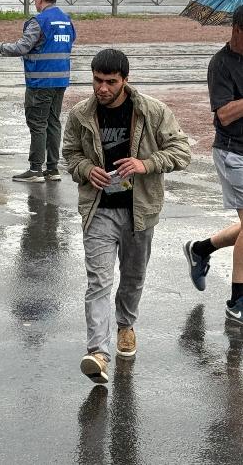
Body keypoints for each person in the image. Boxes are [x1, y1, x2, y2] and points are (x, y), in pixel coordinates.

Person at [62, 49, 191, 384]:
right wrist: (87, 169)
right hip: (98, 210)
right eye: (97, 80)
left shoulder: (152, 111)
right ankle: (98, 353)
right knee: (99, 282)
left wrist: (144, 164)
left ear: (124, 81)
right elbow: (70, 153)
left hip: (140, 211)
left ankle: (126, 325)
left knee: (132, 278)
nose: (102, 88)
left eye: (110, 82)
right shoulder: (80, 114)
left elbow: (182, 151)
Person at [0, 0, 75, 182]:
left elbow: (21, 47)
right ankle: (52, 168)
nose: (35, 2)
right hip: (61, 81)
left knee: (37, 124)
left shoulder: (39, 21)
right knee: (53, 123)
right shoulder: (66, 20)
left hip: (40, 82)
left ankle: (35, 169)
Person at [183, 6, 243, 326]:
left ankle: (202, 249)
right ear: (237, 30)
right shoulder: (220, 64)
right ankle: (238, 301)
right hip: (233, 153)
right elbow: (224, 115)